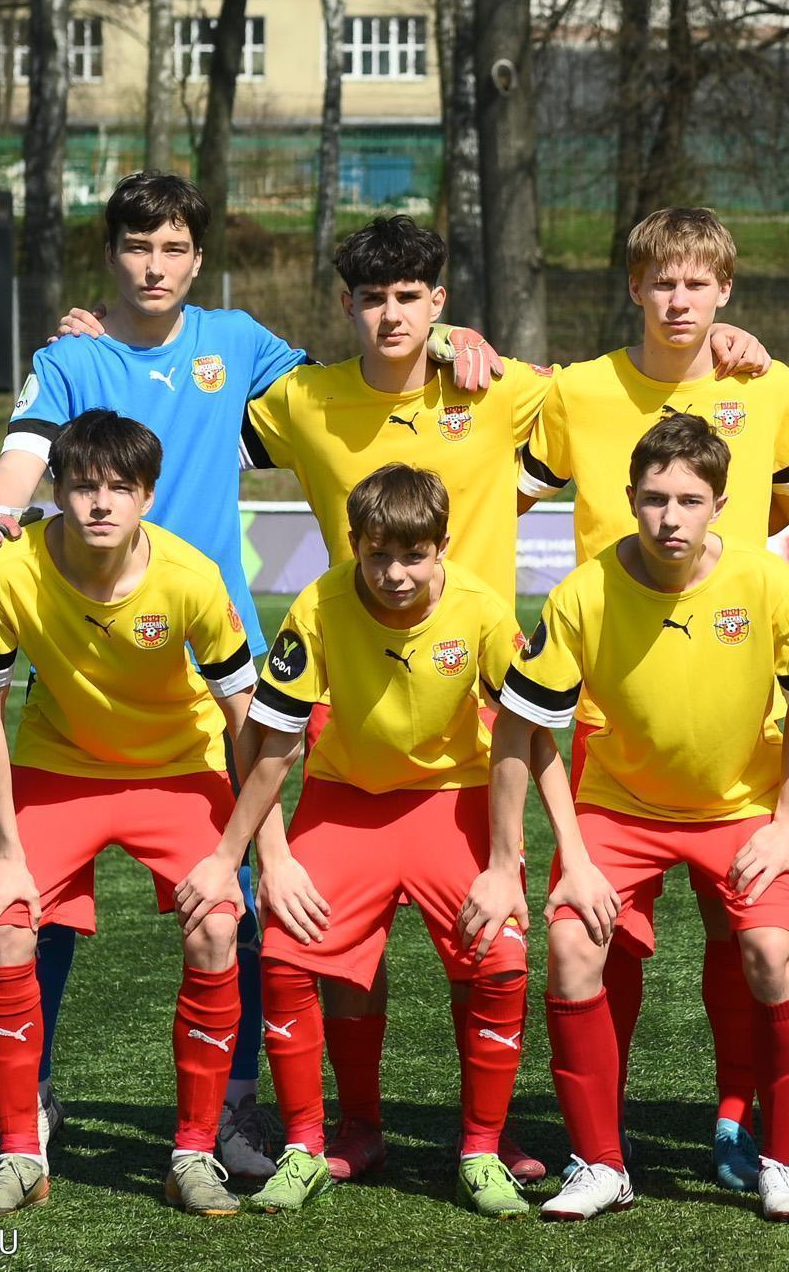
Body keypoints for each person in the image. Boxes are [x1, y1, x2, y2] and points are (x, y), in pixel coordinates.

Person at [239, 212, 770, 1183]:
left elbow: (640, 378)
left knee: (490, 940)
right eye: (372, 298)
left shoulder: (507, 388)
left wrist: (721, 339)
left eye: (413, 299)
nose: (392, 315)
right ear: (346, 304)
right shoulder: (305, 401)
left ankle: (491, 1134)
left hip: (485, 711)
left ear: (439, 301)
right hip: (359, 704)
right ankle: (353, 1126)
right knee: (333, 945)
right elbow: (196, 420)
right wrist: (103, 347)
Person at [0, 171, 305, 1182]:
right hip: (88, 668)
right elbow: (24, 453)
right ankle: (30, 1099)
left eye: (173, 249)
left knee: (234, 903)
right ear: (109, 255)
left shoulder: (236, 342)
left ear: (199, 258)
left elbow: (348, 389)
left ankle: (231, 1110)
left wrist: (454, 342)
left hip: (211, 665)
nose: (155, 267)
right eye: (136, 247)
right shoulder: (72, 357)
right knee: (34, 908)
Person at [494, 414, 789, 1222]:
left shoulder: (766, 584)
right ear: (629, 498)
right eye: (655, 499)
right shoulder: (583, 593)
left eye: (690, 501)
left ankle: (784, 1163)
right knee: (570, 944)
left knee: (770, 952)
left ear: (721, 506)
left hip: (740, 810)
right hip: (620, 810)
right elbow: (521, 728)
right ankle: (600, 1164)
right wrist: (564, 854)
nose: (670, 517)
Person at [515, 207, 789, 1190]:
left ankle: (738, 1117)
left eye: (697, 283)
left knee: (749, 940)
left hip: (736, 713)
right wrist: (450, 339)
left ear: (725, 290)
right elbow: (489, 488)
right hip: (610, 718)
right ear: (634, 288)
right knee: (598, 936)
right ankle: (600, 1144)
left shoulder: (764, 384)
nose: (679, 300)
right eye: (662, 281)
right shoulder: (576, 389)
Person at [203, 464, 558, 1218]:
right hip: (346, 803)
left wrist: (515, 862)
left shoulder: (481, 608)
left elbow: (529, 732)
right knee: (289, 951)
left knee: (500, 957)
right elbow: (270, 743)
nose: (394, 574)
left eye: (413, 556)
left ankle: (481, 1148)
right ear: (354, 544)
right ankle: (317, 1143)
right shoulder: (320, 604)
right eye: (376, 555)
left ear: (442, 547)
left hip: (451, 801)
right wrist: (265, 858)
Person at [0, 411, 257, 1219]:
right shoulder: (5, 572)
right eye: (84, 485)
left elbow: (245, 720)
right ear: (56, 490)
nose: (100, 503)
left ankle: (193, 1152)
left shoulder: (191, 576)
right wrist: (5, 852)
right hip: (60, 766)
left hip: (178, 768)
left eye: (121, 488)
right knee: (6, 923)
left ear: (147, 497)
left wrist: (254, 851)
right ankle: (21, 1152)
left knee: (218, 927)